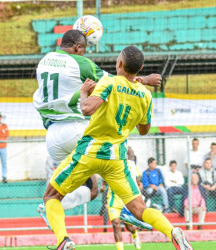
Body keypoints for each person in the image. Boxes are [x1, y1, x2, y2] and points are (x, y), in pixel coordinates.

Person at [43, 45, 192, 250]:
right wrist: (140, 87)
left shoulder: (109, 82)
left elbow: (87, 109)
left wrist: (84, 93)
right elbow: (143, 130)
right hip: (117, 159)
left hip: (91, 151)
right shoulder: (145, 95)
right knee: (139, 208)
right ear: (140, 69)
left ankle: (63, 240)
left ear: (119, 63)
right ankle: (172, 231)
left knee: (52, 196)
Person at [34, 29, 161, 225]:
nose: (84, 54)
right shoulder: (80, 62)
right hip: (75, 128)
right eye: (83, 49)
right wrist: (145, 80)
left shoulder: (45, 61)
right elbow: (120, 81)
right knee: (121, 153)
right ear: (77, 47)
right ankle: (129, 206)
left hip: (52, 137)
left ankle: (48, 207)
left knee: (92, 188)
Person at [100, 147, 142, 250]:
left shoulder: (130, 166)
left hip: (126, 201)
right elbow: (104, 181)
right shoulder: (109, 166)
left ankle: (135, 234)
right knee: (116, 224)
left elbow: (138, 181)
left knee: (129, 226)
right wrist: (103, 187)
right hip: (113, 201)